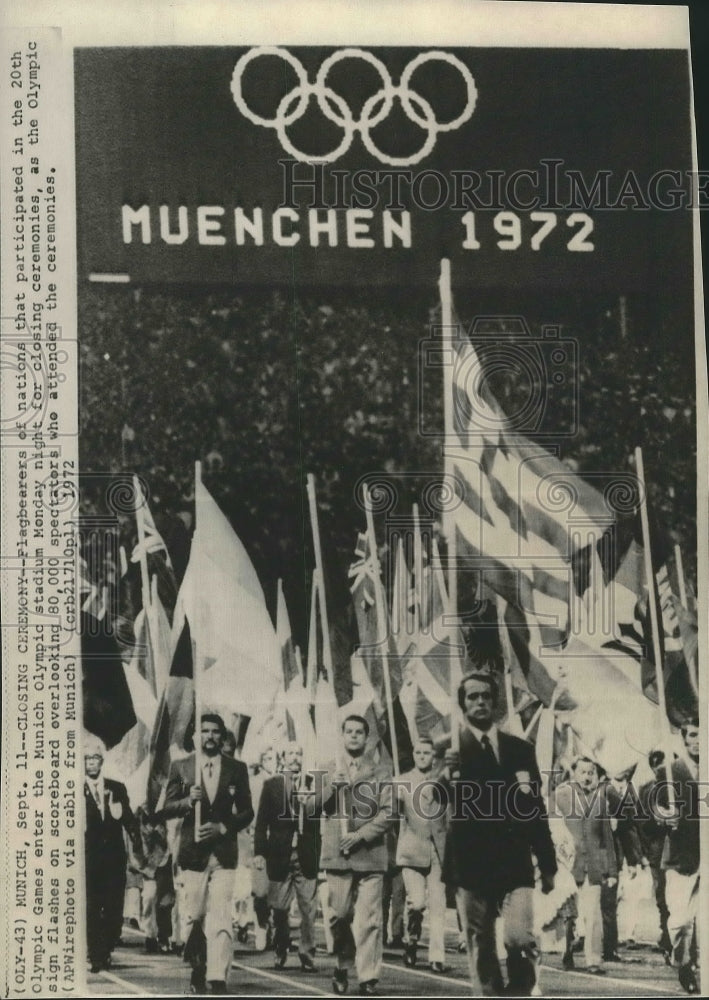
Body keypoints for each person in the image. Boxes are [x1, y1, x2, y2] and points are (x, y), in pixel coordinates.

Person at [442, 671, 556, 997]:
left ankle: (522, 988)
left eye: (485, 696)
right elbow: (436, 799)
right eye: (472, 697)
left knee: (518, 937)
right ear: (462, 704)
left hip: (513, 862)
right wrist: (445, 775)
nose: (480, 702)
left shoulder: (519, 750)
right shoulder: (453, 751)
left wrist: (547, 863)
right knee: (481, 947)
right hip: (470, 864)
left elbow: (535, 809)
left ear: (495, 702)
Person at [163, 713, 253, 995]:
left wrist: (224, 827)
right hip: (193, 855)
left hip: (223, 854)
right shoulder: (182, 767)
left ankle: (217, 976)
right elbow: (166, 807)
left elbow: (247, 811)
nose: (210, 736)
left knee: (221, 916)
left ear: (222, 735)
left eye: (215, 731)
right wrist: (189, 801)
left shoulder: (236, 768)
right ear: (196, 736)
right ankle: (198, 965)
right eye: (204, 731)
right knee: (195, 915)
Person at [319, 714, 394, 996]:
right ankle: (342, 963)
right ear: (342, 735)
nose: (353, 736)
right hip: (338, 857)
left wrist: (360, 834)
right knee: (338, 916)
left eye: (359, 732)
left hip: (370, 854)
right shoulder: (328, 769)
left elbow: (389, 813)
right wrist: (331, 788)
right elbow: (312, 807)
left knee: (369, 920)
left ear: (366, 738)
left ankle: (368, 977)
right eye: (348, 731)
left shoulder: (381, 772)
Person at [254, 741, 322, 971]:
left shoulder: (312, 784)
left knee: (308, 909)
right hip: (279, 854)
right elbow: (261, 822)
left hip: (306, 854)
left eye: (299, 753)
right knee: (280, 909)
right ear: (283, 758)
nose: (295, 758)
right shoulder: (271, 785)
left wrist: (309, 803)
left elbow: (320, 819)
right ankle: (281, 946)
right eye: (291, 753)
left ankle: (307, 954)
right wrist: (260, 852)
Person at [549, 756, 617, 976]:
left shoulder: (601, 801)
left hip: (594, 866)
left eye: (591, 773)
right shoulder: (561, 796)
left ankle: (593, 960)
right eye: (583, 772)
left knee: (593, 914)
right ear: (574, 773)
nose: (587, 777)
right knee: (569, 915)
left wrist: (612, 871)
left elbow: (608, 838)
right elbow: (550, 827)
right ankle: (567, 951)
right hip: (568, 866)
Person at [83, 734, 139, 973]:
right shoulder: (74, 791)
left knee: (114, 908)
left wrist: (136, 837)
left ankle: (107, 945)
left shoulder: (116, 788)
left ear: (101, 761)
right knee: (94, 906)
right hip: (89, 860)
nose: (92, 763)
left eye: (95, 758)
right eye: (87, 759)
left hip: (114, 859)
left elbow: (129, 820)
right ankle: (96, 954)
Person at [396, 738, 448, 972]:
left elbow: (450, 815)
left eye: (426, 753)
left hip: (438, 851)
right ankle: (411, 940)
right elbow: (391, 813)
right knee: (417, 904)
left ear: (433, 757)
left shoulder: (442, 782)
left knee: (438, 906)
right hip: (412, 850)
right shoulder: (402, 781)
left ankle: (437, 957)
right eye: (418, 752)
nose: (422, 756)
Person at [659, 719, 700, 995]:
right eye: (694, 735)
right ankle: (682, 961)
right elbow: (651, 813)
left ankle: (698, 967)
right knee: (681, 922)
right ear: (684, 740)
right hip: (680, 859)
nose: (699, 741)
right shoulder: (671, 772)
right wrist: (665, 817)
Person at [636, 749, 673, 960]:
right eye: (658, 766)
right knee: (662, 896)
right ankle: (667, 936)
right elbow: (641, 823)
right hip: (658, 849)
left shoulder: (683, 786)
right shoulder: (646, 790)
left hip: (680, 849)